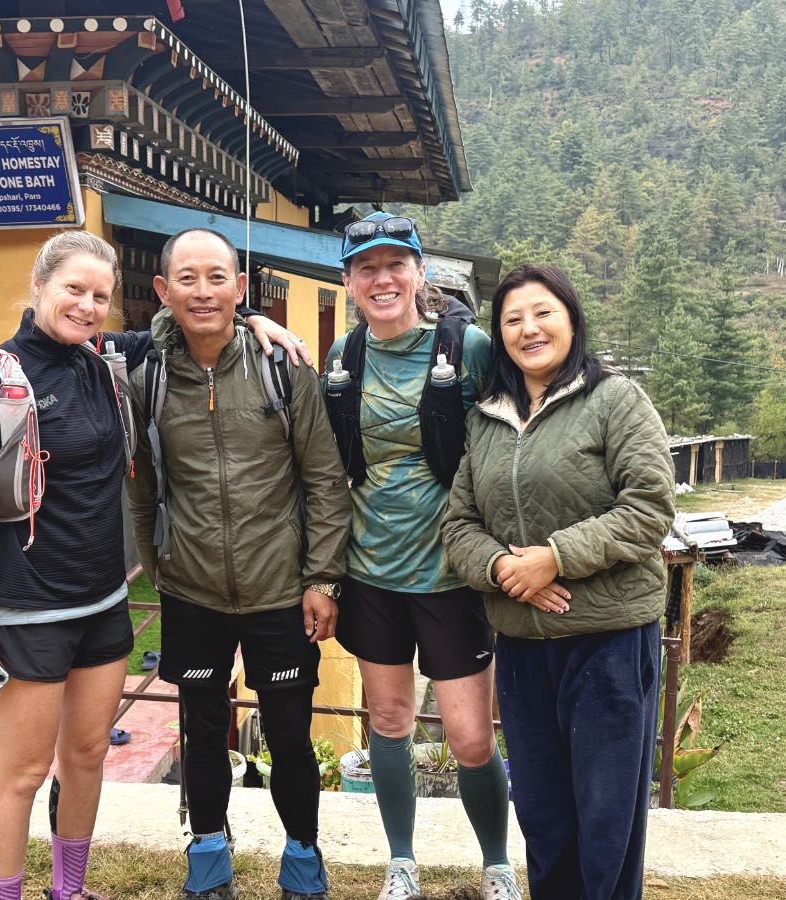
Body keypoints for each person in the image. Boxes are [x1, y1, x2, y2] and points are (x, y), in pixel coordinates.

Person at [0, 230, 311, 900]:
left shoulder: (102, 360)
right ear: (39, 286)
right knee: (23, 773)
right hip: (27, 606)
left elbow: (195, 317)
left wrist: (256, 319)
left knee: (86, 755)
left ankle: (69, 890)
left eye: (99, 296)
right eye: (72, 290)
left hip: (103, 602)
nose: (86, 306)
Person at [127, 228, 350, 900]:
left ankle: (303, 858)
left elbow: (325, 480)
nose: (203, 291)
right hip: (191, 589)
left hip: (280, 586)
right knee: (201, 733)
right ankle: (208, 857)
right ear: (163, 291)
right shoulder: (148, 378)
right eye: (187, 278)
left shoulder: (284, 369)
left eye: (217, 277)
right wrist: (159, 567)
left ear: (240, 287)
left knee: (289, 733)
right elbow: (142, 488)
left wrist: (321, 578)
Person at [441, 265, 675, 900]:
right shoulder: (487, 418)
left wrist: (555, 557)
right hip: (523, 645)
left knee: (606, 819)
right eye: (513, 319)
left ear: (571, 318)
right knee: (543, 817)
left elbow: (649, 507)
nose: (529, 329)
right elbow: (459, 524)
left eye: (543, 313)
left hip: (607, 641)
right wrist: (503, 570)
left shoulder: (615, 400)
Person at [323, 212, 526, 900]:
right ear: (349, 281)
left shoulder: (467, 348)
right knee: (389, 723)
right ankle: (401, 861)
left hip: (452, 572)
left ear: (418, 273)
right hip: (371, 571)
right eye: (367, 269)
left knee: (470, 738)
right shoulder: (343, 356)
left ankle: (496, 863)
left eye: (395, 266)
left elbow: (517, 428)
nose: (382, 280)